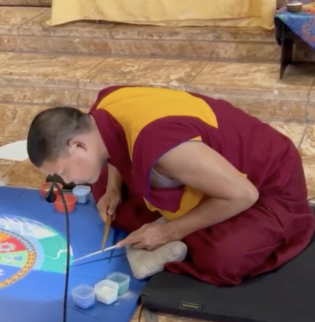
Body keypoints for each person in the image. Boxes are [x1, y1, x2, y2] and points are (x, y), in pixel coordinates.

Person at [27, 85, 314, 286]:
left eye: (63, 171)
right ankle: (174, 220)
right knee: (103, 187)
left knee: (226, 257)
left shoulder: (164, 149)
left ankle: (172, 236)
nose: (66, 182)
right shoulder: (102, 107)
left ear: (77, 144)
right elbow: (114, 141)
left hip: (265, 181)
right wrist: (114, 187)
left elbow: (243, 194)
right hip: (193, 165)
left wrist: (168, 231)